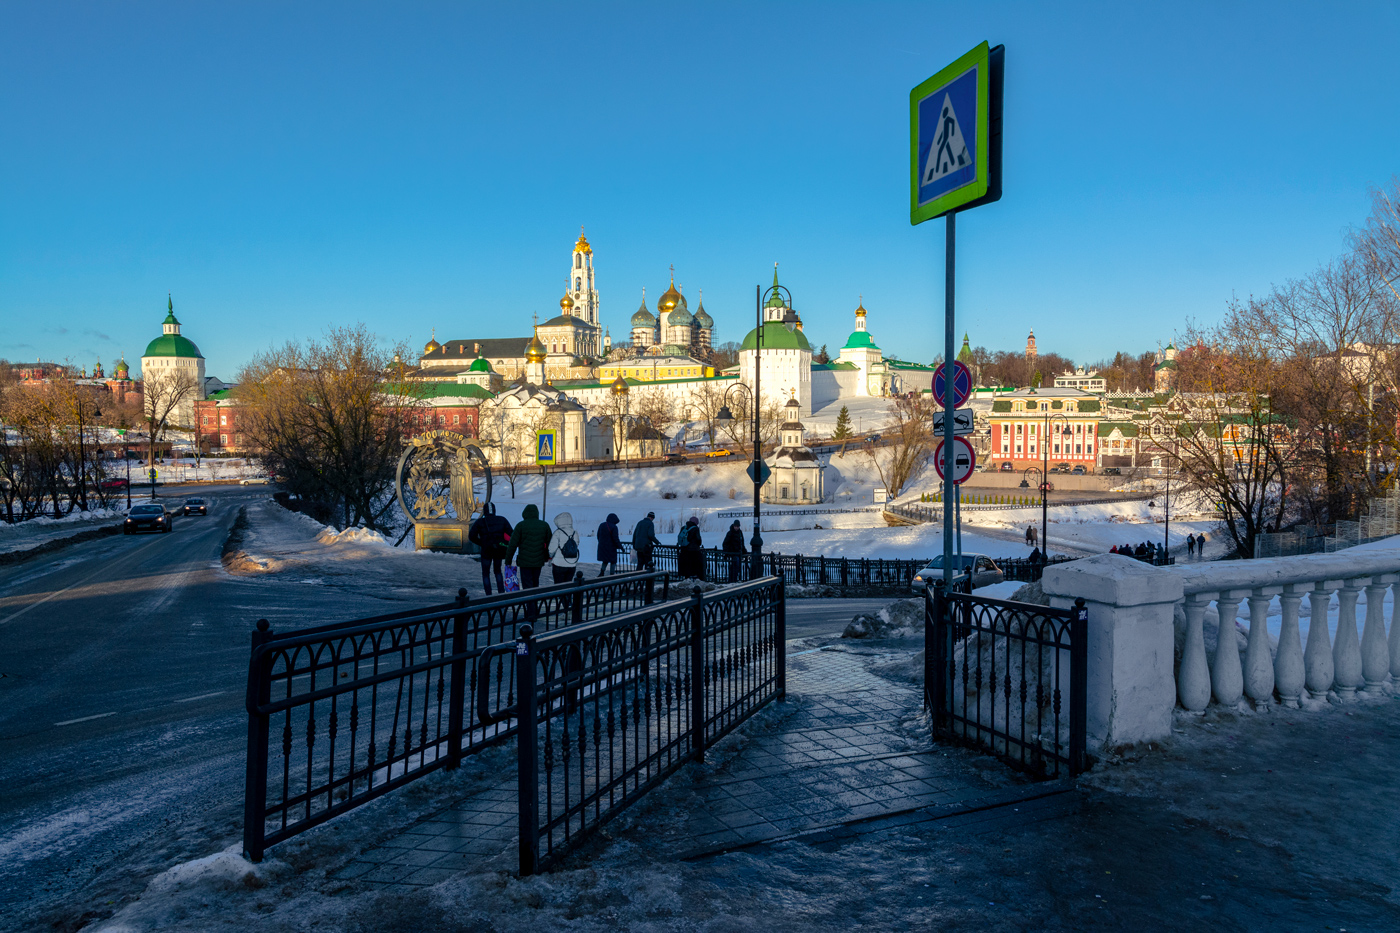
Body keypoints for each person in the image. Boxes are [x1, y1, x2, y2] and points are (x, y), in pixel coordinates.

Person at [505, 503, 552, 603]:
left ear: (525, 513)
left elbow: (512, 545)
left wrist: (508, 561)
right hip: (538, 561)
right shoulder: (544, 525)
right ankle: (534, 609)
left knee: (527, 587)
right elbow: (550, 543)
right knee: (535, 585)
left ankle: (531, 613)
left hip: (524, 562)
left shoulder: (520, 525)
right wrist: (547, 557)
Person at [467, 503, 512, 595]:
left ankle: (488, 594)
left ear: (485, 511)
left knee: (486, 573)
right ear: (494, 510)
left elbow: (471, 536)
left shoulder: (480, 522)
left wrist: (482, 543)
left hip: (486, 550)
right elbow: (511, 533)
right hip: (499, 550)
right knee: (498, 571)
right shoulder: (502, 520)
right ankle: (501, 592)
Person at [548, 511, 580, 585]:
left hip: (559, 564)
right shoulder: (575, 533)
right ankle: (567, 596)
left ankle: (559, 597)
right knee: (568, 585)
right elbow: (576, 544)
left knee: (558, 585)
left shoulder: (558, 532)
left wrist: (550, 557)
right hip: (572, 564)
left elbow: (552, 549)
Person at [596, 512, 622, 576]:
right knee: (613, 561)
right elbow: (615, 538)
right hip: (611, 548)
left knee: (605, 560)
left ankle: (602, 572)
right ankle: (612, 574)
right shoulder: (614, 527)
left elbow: (598, 535)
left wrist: (601, 543)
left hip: (602, 547)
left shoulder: (602, 525)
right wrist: (620, 547)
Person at [721, 519, 746, 583]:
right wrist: (728, 551)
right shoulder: (730, 533)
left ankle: (734, 579)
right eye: (735, 526)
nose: (737, 527)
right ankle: (732, 580)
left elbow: (741, 542)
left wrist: (743, 550)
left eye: (738, 526)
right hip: (733, 554)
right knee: (734, 567)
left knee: (737, 567)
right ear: (733, 526)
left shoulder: (740, 533)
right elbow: (725, 543)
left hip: (738, 553)